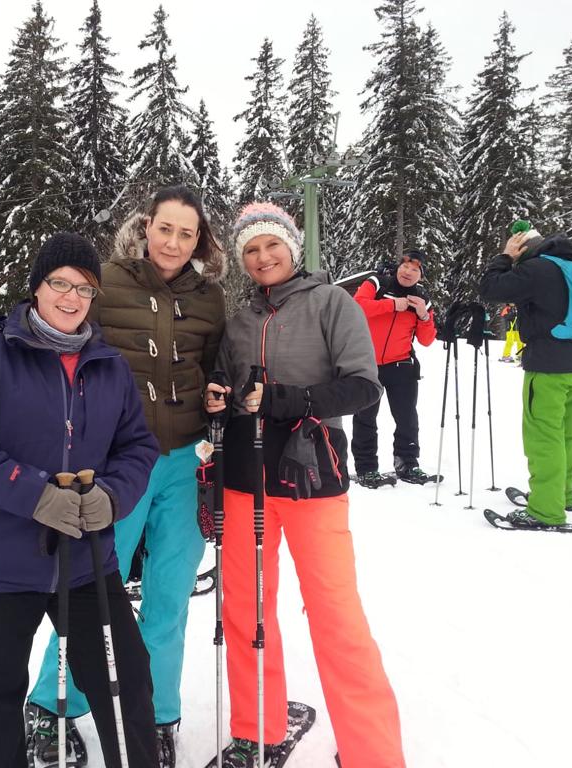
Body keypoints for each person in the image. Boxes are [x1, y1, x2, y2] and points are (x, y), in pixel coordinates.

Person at [0, 233, 161, 768]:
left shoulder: (108, 364)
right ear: (37, 287)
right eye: (60, 283)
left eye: (84, 288)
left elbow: (137, 447)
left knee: (125, 680)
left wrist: (113, 496)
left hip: (85, 559)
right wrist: (32, 493)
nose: (71, 297)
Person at [23, 185, 226, 766]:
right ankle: (51, 705)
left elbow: (217, 366)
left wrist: (220, 392)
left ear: (199, 241)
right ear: (146, 227)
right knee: (91, 590)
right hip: (117, 463)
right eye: (166, 228)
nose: (174, 242)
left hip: (186, 462)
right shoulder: (107, 283)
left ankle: (156, 714)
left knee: (171, 594)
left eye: (186, 233)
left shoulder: (209, 297)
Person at [204, 202, 405, 768]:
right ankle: (257, 730)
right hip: (244, 479)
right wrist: (217, 396)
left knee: (335, 614)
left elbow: (364, 386)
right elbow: (225, 385)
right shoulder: (239, 322)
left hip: (312, 475)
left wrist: (292, 400)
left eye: (272, 245)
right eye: (250, 249)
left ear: (292, 247)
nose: (263, 257)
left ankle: (373, 753)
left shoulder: (332, 303)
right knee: (246, 611)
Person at [479, 224, 572, 527]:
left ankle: (545, 510)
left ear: (524, 249)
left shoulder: (537, 269)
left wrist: (505, 257)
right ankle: (561, 495)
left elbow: (490, 288)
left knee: (543, 437)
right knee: (566, 432)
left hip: (548, 366)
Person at [351, 251, 437, 487]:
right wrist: (391, 305)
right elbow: (357, 306)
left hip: (402, 366)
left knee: (407, 419)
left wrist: (423, 315)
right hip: (367, 364)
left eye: (415, 269)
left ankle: (407, 464)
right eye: (405, 266)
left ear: (421, 276)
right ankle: (366, 468)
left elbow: (427, 340)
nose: (408, 272)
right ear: (398, 267)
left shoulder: (421, 298)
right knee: (365, 418)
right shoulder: (376, 283)